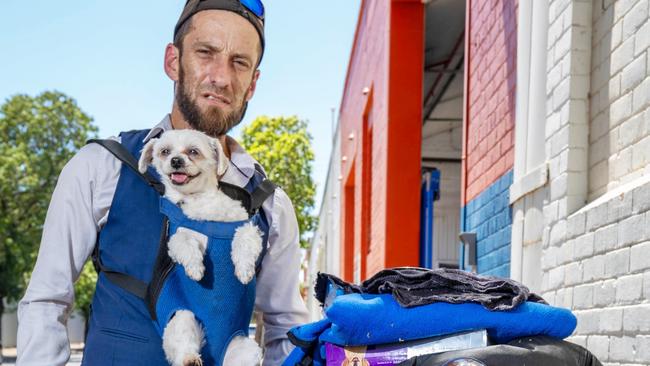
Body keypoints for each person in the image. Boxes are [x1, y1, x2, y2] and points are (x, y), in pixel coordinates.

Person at [16, 0, 309, 365]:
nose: (221, 76)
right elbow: (46, 301)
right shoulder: (101, 166)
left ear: (252, 84)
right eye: (206, 52)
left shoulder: (271, 206)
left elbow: (286, 330)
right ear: (173, 61)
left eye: (240, 62)